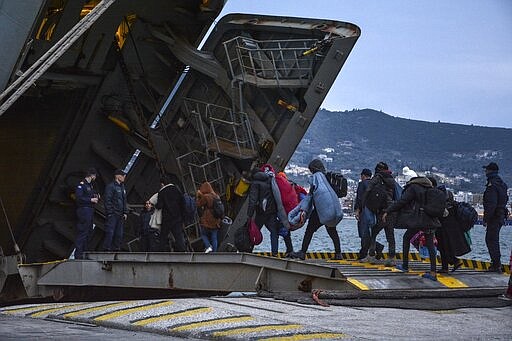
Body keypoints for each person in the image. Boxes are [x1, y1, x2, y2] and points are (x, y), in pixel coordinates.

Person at [383, 176, 439, 281]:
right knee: (430, 244)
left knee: (406, 238)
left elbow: (402, 201)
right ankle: (433, 272)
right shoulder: (429, 188)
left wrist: (388, 211)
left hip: (420, 219)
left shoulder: (414, 187)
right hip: (431, 219)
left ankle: (405, 266)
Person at [291, 159, 343, 260]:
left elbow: (312, 194)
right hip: (330, 210)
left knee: (309, 231)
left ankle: (302, 252)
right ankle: (338, 253)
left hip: (319, 211)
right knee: (332, 230)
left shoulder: (317, 178)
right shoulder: (328, 177)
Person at [362, 162, 396, 266]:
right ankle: (391, 258)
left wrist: (364, 203)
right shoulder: (391, 179)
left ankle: (371, 255)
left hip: (381, 211)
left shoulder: (377, 178)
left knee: (374, 233)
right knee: (390, 235)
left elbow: (368, 189)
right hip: (391, 209)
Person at [247, 164, 282, 257]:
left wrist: (249, 215)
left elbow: (253, 200)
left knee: (254, 230)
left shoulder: (255, 183)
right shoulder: (270, 179)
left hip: (261, 212)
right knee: (274, 232)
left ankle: (249, 250)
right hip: (272, 211)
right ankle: (274, 253)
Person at [482, 162, 509, 273]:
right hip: (500, 215)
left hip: (494, 216)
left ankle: (496, 265)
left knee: (491, 240)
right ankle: (496, 263)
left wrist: (486, 219)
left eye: (486, 170)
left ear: (490, 171)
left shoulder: (492, 185)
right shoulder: (502, 184)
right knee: (494, 240)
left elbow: (491, 204)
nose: (485, 171)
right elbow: (505, 199)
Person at [436, 188, 468, 273]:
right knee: (447, 247)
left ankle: (451, 264)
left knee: (443, 247)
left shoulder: (443, 207)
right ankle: (450, 264)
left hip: (443, 228)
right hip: (453, 229)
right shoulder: (453, 205)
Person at [354, 168, 383, 261]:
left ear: (363, 175)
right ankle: (368, 251)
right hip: (374, 212)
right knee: (368, 233)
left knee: (363, 233)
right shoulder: (375, 184)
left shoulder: (362, 184)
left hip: (364, 211)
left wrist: (357, 210)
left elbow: (359, 198)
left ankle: (370, 250)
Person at [156, 174, 187, 252]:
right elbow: (183, 203)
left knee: (163, 237)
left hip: (167, 219)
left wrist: (155, 205)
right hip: (177, 218)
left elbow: (159, 205)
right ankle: (183, 251)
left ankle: (159, 252)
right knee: (179, 236)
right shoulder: (176, 190)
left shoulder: (161, 192)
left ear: (162, 183)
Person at [74, 167, 99, 259]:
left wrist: (96, 196)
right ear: (92, 175)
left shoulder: (90, 186)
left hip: (90, 210)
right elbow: (78, 197)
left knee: (89, 232)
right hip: (84, 210)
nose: (95, 177)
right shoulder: (82, 184)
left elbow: (91, 194)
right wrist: (90, 199)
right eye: (95, 175)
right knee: (83, 231)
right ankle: (78, 254)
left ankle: (84, 252)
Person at [102, 169, 128, 251]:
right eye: (122, 175)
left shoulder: (122, 187)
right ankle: (106, 248)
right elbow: (107, 200)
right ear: (117, 176)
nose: (124, 177)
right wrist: (110, 212)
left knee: (119, 234)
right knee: (110, 232)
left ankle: (116, 249)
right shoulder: (111, 186)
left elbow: (124, 200)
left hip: (120, 214)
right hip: (113, 214)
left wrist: (125, 212)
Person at [196, 181, 222, 253]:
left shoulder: (206, 197)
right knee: (214, 237)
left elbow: (198, 204)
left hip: (208, 219)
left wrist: (199, 195)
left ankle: (208, 246)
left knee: (203, 234)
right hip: (216, 219)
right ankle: (214, 252)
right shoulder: (216, 196)